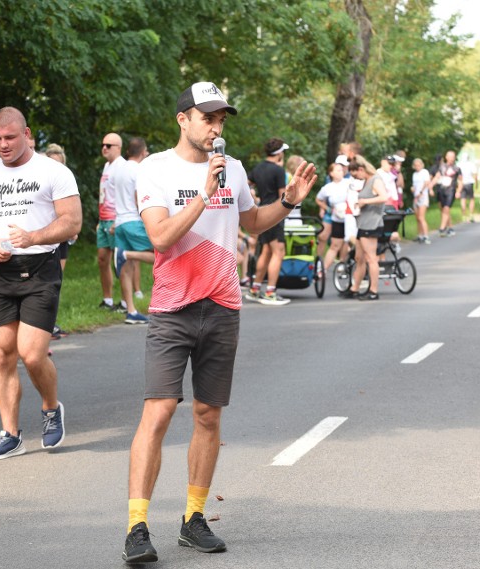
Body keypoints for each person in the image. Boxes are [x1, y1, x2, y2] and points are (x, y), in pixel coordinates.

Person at [122, 82, 317, 564]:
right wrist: (203, 195)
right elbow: (160, 236)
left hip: (223, 305)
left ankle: (193, 518)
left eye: (221, 119)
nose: (216, 127)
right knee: (159, 412)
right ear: (182, 119)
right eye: (207, 118)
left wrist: (289, 201)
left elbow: (251, 222)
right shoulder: (156, 169)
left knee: (208, 416)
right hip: (172, 307)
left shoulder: (232, 170)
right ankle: (137, 527)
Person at [0, 107, 81, 459]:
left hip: (41, 268)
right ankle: (10, 434)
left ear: (26, 133)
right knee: (2, 354)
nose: (3, 145)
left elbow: (72, 222)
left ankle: (50, 407)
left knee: (31, 354)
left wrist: (34, 237)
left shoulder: (53, 171)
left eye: (10, 138)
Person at [245, 137, 291, 305]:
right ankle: (270, 292)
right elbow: (283, 197)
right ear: (279, 153)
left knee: (266, 251)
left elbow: (246, 183)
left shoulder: (258, 168)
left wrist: (253, 197)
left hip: (261, 212)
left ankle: (255, 289)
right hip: (275, 215)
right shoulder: (279, 171)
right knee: (279, 253)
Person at [113, 136, 154, 324]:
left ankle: (131, 310)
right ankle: (127, 254)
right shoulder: (139, 169)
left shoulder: (118, 170)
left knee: (126, 271)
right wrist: (149, 220)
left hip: (120, 221)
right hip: (134, 221)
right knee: (163, 251)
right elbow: (139, 197)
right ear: (143, 151)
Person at [342, 156, 387, 301]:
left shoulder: (375, 179)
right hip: (362, 223)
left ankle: (373, 290)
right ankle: (355, 288)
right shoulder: (366, 181)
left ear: (361, 169)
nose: (356, 178)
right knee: (359, 257)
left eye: (356, 175)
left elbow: (383, 197)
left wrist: (364, 201)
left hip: (371, 224)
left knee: (371, 258)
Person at [45, 143, 73, 339]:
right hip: (45, 237)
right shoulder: (40, 181)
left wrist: (72, 229)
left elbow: (72, 210)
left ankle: (51, 324)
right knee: (44, 284)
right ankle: (44, 326)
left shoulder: (66, 181)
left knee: (56, 282)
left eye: (59, 164)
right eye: (52, 163)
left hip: (62, 236)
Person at [97, 132, 125, 310]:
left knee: (121, 262)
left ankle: (124, 301)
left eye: (109, 145)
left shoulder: (122, 167)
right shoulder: (107, 166)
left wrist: (119, 220)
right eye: (103, 145)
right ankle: (107, 300)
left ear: (118, 148)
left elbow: (126, 196)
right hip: (104, 220)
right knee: (102, 259)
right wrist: (100, 220)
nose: (104, 148)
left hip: (116, 220)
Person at [315, 162, 353, 271]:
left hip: (350, 217)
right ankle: (321, 269)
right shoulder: (328, 188)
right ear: (331, 173)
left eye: (341, 170)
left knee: (348, 241)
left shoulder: (349, 182)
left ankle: (343, 263)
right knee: (333, 243)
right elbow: (318, 199)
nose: (341, 172)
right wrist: (327, 208)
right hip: (336, 217)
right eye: (338, 170)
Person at [431, 150, 462, 237]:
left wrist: (459, 191)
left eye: (453, 157)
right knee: (443, 209)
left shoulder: (457, 169)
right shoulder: (442, 167)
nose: (451, 158)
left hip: (451, 190)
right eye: (450, 156)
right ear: (446, 157)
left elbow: (460, 181)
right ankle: (450, 228)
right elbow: (436, 178)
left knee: (446, 208)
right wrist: (430, 187)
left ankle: (442, 227)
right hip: (442, 190)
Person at [411, 158, 431, 244]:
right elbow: (414, 185)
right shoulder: (414, 174)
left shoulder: (424, 172)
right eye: (416, 165)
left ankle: (426, 236)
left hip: (423, 196)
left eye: (418, 165)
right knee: (417, 218)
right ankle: (420, 235)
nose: (417, 167)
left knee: (421, 217)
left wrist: (421, 191)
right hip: (416, 197)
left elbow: (426, 183)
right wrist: (413, 189)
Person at [458, 152, 477, 223]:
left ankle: (464, 215)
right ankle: (471, 215)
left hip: (462, 183)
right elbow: (475, 174)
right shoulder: (471, 164)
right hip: (469, 183)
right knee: (471, 199)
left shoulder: (459, 164)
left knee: (463, 199)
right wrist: (476, 183)